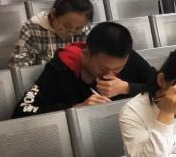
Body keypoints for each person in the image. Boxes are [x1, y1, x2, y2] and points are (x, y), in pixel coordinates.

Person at [13, 22, 156, 117]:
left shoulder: (126, 56)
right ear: (85, 54)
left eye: (118, 68)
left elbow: (162, 85)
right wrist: (76, 109)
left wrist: (127, 88)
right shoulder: (60, 68)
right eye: (103, 68)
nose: (110, 75)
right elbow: (22, 111)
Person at [10, 0, 93, 69]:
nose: (71, 33)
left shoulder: (85, 29)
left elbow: (93, 59)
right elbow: (19, 64)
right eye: (67, 26)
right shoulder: (32, 28)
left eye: (78, 28)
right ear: (53, 14)